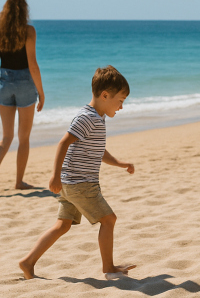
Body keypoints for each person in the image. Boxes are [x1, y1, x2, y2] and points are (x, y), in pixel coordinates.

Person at [19, 66, 136, 281]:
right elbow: (64, 143)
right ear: (105, 95)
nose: (121, 106)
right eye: (120, 100)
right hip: (80, 183)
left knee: (62, 225)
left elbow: (98, 150)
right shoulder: (87, 118)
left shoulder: (98, 117)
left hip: (72, 183)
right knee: (109, 220)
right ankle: (109, 267)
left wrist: (120, 163)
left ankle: (28, 262)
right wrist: (54, 176)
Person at [0, 0, 46, 194]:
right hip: (24, 83)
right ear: (24, 9)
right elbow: (32, 64)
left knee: (6, 136)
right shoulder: (29, 31)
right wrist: (41, 91)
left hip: (3, 80)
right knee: (24, 137)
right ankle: (19, 181)